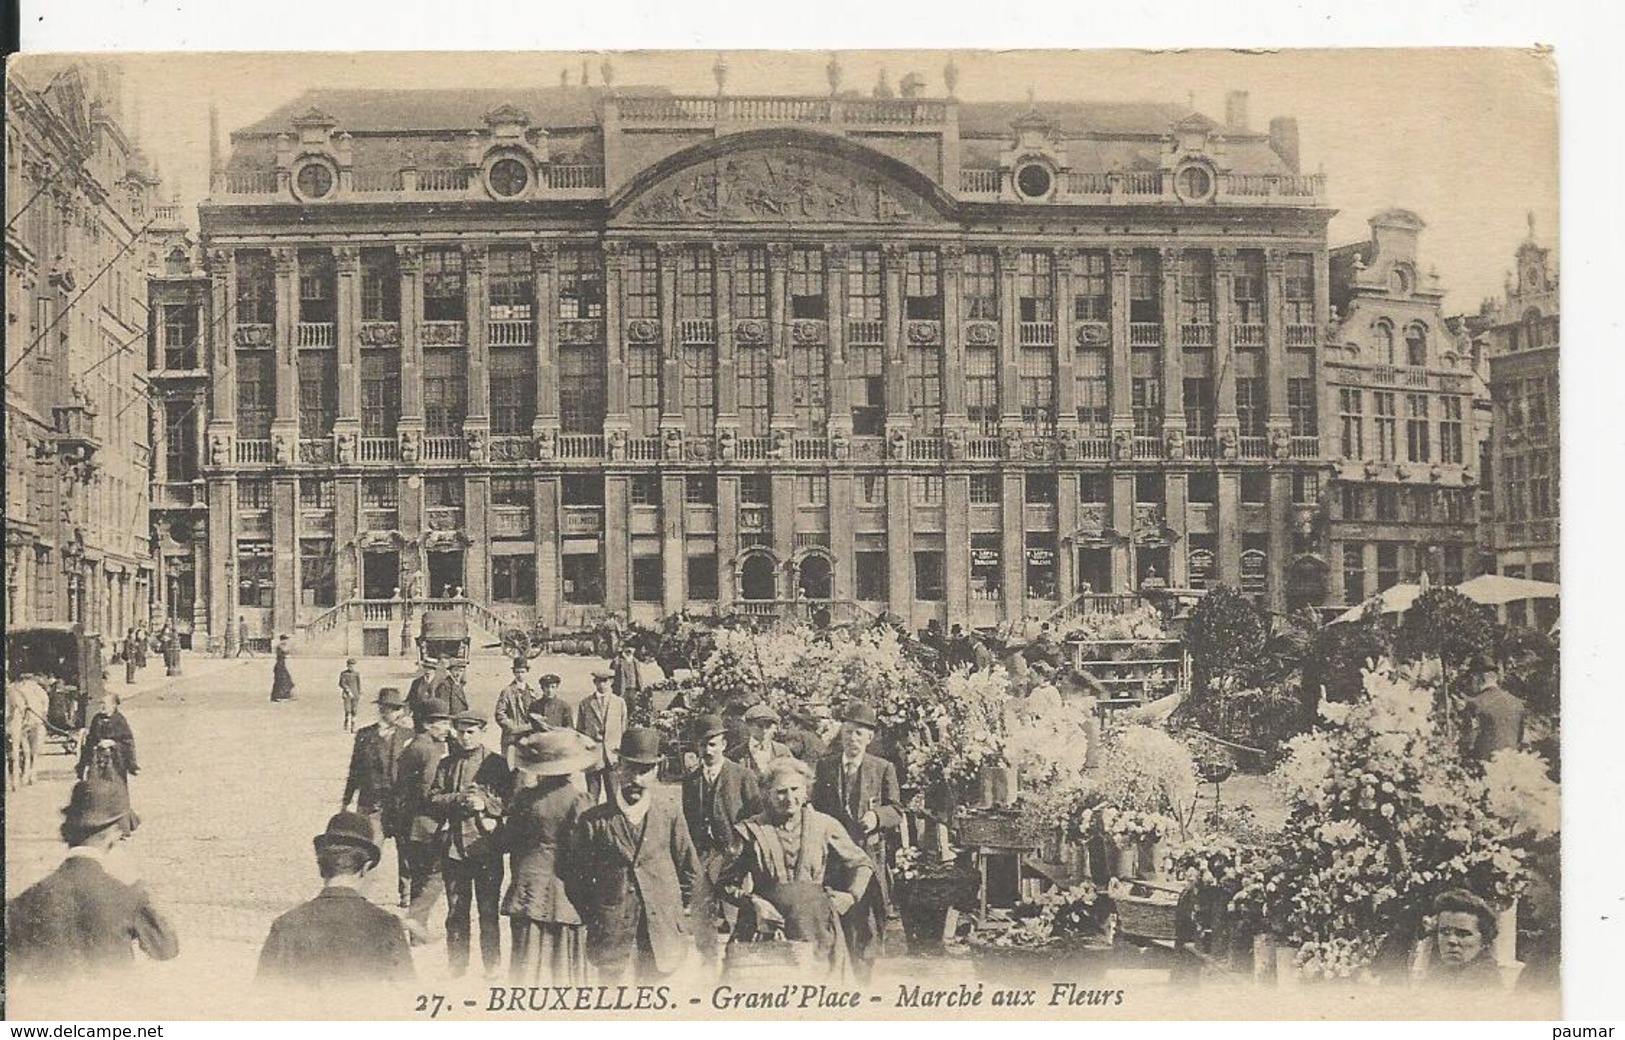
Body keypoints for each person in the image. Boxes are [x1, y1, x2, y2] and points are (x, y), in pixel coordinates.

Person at [6, 778, 179, 983]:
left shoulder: (24, 901)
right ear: (113, 834)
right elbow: (165, 948)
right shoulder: (127, 895)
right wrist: (137, 886)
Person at [566, 728, 704, 984]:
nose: (636, 780)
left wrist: (671, 910)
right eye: (631, 769)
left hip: (661, 934)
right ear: (618, 768)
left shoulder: (669, 814)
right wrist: (598, 915)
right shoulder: (594, 820)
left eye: (645, 771)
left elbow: (690, 870)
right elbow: (575, 878)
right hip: (612, 934)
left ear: (655, 772)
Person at [718, 756, 875, 975]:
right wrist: (753, 903)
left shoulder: (825, 825)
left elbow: (862, 863)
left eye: (795, 789)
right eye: (781, 791)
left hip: (816, 925)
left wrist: (851, 896)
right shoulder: (749, 830)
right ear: (767, 793)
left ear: (806, 791)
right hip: (764, 926)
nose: (789, 798)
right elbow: (724, 884)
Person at [255, 812, 414, 988]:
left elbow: (262, 1001)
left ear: (321, 868)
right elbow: (405, 999)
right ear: (366, 867)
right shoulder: (387, 926)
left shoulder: (286, 925)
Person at [811, 702, 904, 979]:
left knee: (864, 921)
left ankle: (863, 979)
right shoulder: (826, 767)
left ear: (869, 738)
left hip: (867, 857)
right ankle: (835, 978)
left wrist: (876, 817)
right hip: (834, 859)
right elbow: (816, 808)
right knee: (834, 920)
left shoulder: (882, 768)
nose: (852, 739)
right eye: (848, 732)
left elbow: (897, 810)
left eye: (859, 734)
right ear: (841, 734)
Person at [503, 729, 597, 986]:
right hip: (566, 889)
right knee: (563, 963)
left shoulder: (524, 799)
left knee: (527, 959)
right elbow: (586, 849)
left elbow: (508, 841)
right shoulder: (580, 800)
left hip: (528, 886)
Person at [429, 710, 511, 978]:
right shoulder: (447, 764)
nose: (465, 737)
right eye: (461, 732)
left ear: (482, 731)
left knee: (488, 911)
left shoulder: (496, 764)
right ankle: (457, 965)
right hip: (454, 848)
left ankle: (492, 964)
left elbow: (510, 803)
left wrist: (485, 804)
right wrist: (459, 799)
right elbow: (433, 798)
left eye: (471, 732)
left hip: (486, 847)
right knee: (456, 910)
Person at [681, 714, 762, 957]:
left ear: (724, 745)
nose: (708, 750)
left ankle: (737, 960)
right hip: (703, 855)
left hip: (733, 856)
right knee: (701, 908)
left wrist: (743, 848)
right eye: (704, 744)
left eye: (713, 744)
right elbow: (688, 819)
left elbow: (756, 818)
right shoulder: (691, 781)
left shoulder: (742, 776)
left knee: (734, 910)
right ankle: (707, 959)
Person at [342, 687, 417, 908]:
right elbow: (354, 770)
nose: (396, 713)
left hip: (401, 805)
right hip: (371, 803)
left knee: (407, 850)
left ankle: (407, 893)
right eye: (392, 709)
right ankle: (361, 893)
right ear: (382, 710)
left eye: (399, 709)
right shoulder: (365, 735)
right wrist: (347, 800)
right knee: (369, 849)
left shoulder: (409, 736)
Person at [394, 698, 453, 944]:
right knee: (438, 874)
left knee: (419, 875)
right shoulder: (430, 751)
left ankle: (416, 936)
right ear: (429, 724)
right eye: (443, 722)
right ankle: (416, 919)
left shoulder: (413, 745)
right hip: (427, 823)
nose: (448, 728)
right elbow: (430, 792)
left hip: (407, 823)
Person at [1422, 889, 1505, 989]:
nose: (1451, 940)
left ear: (1484, 941)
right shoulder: (1436, 974)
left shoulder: (1484, 981)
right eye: (1445, 932)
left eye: (1463, 934)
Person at [1461, 656, 1527, 763]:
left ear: (1477, 678)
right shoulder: (1517, 703)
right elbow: (1520, 739)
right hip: (1512, 769)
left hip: (1485, 771)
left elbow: (1469, 741)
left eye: (1470, 678)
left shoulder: (1475, 704)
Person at [575, 669, 627, 803]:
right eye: (598, 681)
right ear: (594, 682)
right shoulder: (585, 703)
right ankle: (592, 823)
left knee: (614, 794)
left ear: (611, 682)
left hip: (613, 755)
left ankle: (613, 823)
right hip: (593, 755)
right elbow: (579, 732)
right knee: (592, 795)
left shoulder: (619, 703)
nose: (602, 684)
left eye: (605, 681)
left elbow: (623, 729)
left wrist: (621, 753)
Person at [78, 691, 138, 786]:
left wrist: (112, 743)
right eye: (100, 703)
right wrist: (83, 764)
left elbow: (128, 742)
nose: (101, 706)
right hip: (97, 761)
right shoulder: (97, 719)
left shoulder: (120, 720)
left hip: (115, 761)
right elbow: (90, 741)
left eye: (104, 704)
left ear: (113, 705)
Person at [493, 657, 537, 767]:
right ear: (513, 672)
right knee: (509, 767)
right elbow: (500, 714)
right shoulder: (507, 691)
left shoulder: (533, 692)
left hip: (528, 737)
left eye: (522, 672)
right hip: (512, 738)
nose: (520, 675)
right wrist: (513, 727)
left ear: (527, 672)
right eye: (517, 672)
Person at [733, 702, 793, 776]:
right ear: (749, 726)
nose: (764, 731)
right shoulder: (736, 754)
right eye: (759, 726)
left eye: (768, 726)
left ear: (774, 728)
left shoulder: (783, 752)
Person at [612, 643, 644, 714]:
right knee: (621, 708)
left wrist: (641, 688)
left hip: (633, 689)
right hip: (622, 689)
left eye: (632, 648)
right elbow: (612, 669)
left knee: (633, 708)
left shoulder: (635, 661)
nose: (629, 650)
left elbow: (638, 675)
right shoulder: (618, 661)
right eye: (627, 648)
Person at [338, 658, 363, 733]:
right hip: (347, 695)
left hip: (355, 694)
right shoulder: (344, 674)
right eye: (350, 665)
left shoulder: (356, 674)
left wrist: (359, 693)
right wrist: (347, 690)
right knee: (347, 710)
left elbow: (358, 684)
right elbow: (341, 683)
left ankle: (353, 726)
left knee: (354, 711)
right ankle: (346, 721)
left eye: (353, 665)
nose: (351, 667)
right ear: (347, 665)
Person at [270, 634, 296, 702]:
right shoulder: (280, 646)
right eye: (285, 640)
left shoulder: (280, 646)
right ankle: (276, 696)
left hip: (281, 665)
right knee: (280, 681)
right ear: (282, 640)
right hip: (279, 666)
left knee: (286, 680)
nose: (286, 641)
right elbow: (285, 651)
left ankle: (285, 695)